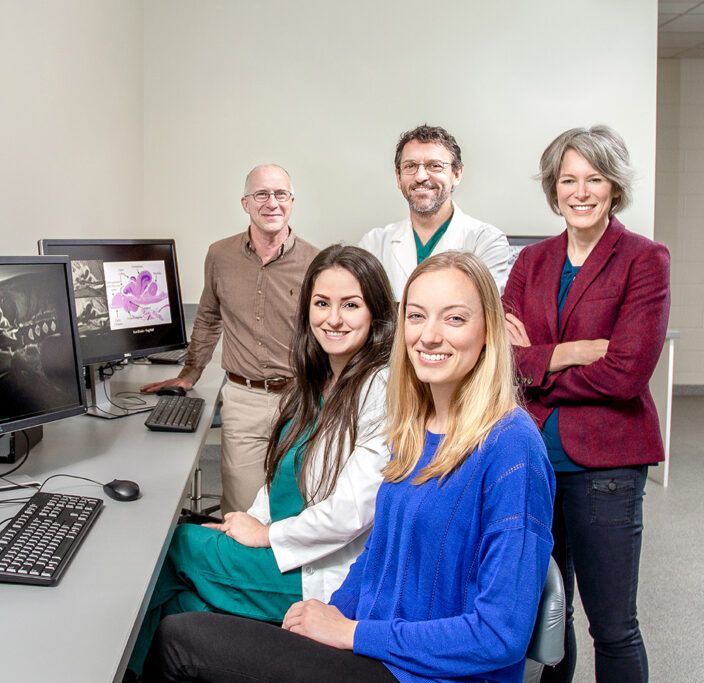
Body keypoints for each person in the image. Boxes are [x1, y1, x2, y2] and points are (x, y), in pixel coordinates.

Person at [144, 251, 555, 683]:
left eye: (454, 319)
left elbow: (499, 635)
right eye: (416, 316)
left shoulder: (512, 450)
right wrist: (327, 614)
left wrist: (351, 632)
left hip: (422, 672)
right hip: (377, 647)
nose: (429, 336)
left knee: (179, 642)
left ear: (489, 329)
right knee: (187, 622)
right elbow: (378, 558)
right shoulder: (418, 430)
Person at [129, 245, 396, 674]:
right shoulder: (317, 380)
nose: (333, 318)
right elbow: (280, 479)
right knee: (181, 605)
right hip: (286, 547)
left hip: (320, 569)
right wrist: (245, 525)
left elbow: (352, 513)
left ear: (376, 313)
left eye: (351, 305)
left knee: (176, 544)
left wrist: (267, 536)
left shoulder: (380, 387)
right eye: (321, 303)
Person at [503, 125, 669, 683]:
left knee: (613, 626)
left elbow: (625, 375)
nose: (580, 191)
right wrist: (571, 353)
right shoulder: (530, 263)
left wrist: (537, 364)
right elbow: (500, 361)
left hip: (607, 467)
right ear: (553, 188)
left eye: (594, 178)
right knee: (549, 616)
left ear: (614, 186)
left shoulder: (645, 260)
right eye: (568, 179)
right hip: (532, 463)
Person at [142, 165, 319, 514]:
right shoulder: (220, 255)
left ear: (292, 201)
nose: (272, 203)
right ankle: (232, 567)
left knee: (296, 505)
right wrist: (190, 372)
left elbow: (326, 332)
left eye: (280, 194)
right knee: (241, 509)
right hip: (244, 398)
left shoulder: (316, 261)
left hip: (300, 399)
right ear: (245, 203)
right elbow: (208, 317)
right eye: (261, 195)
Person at [359, 124, 511, 300]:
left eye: (435, 166)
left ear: (457, 174)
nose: (421, 176)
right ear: (398, 177)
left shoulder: (486, 241)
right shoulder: (374, 244)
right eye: (410, 166)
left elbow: (480, 313)